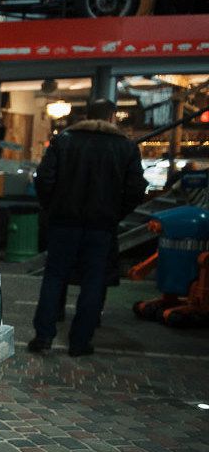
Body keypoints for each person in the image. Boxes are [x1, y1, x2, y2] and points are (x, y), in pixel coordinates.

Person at [29, 98, 147, 356]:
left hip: (64, 223)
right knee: (94, 282)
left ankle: (43, 336)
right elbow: (137, 189)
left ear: (86, 115)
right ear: (112, 117)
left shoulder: (64, 141)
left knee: (54, 277)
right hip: (101, 226)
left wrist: (54, 207)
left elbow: (44, 179)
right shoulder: (125, 147)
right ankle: (80, 342)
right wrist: (116, 212)